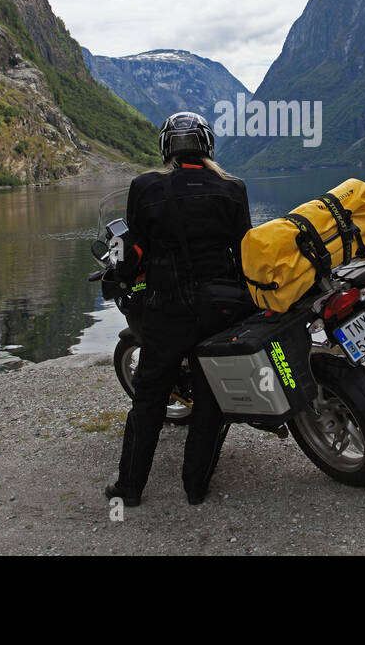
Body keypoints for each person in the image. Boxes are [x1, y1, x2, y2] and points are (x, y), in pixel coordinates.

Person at [106, 111, 252, 507]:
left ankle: (130, 488)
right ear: (207, 146)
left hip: (167, 307)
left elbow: (134, 251)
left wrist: (127, 267)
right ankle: (196, 488)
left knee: (149, 396)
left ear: (166, 147)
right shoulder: (233, 188)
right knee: (210, 399)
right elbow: (246, 251)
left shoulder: (146, 186)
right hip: (222, 308)